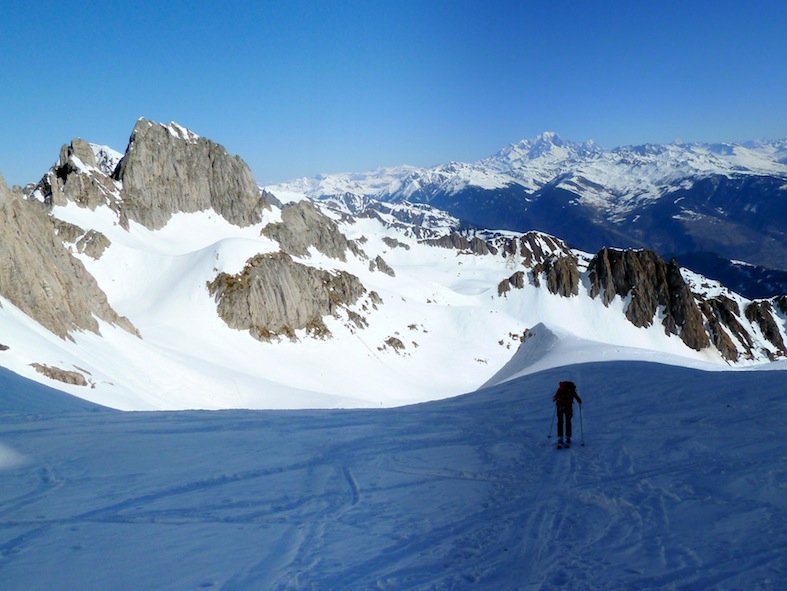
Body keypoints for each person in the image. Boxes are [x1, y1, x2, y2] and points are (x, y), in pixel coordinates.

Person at [553, 381, 582, 447]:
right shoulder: (564, 389)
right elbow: (576, 396)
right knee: (567, 422)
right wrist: (579, 400)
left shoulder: (566, 389)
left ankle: (561, 438)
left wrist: (555, 398)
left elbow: (555, 397)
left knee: (561, 422)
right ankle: (567, 438)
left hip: (562, 407)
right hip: (567, 407)